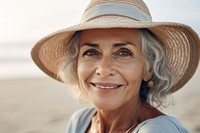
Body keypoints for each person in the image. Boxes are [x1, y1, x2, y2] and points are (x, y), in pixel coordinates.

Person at [31, 0, 200, 132]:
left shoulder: (157, 130)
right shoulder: (80, 121)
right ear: (76, 64)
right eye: (90, 52)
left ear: (148, 68)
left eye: (124, 53)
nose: (104, 69)